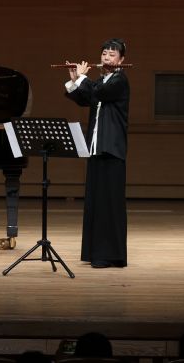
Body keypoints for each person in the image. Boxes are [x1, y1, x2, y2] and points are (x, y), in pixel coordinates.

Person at [65, 38, 130, 268]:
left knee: (109, 204)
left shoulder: (120, 81)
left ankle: (111, 256)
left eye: (112, 55)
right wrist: (75, 80)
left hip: (111, 150)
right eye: (104, 54)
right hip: (95, 149)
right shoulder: (102, 80)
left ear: (121, 60)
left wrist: (83, 78)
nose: (106, 57)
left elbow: (100, 92)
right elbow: (86, 98)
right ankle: (95, 253)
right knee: (95, 203)